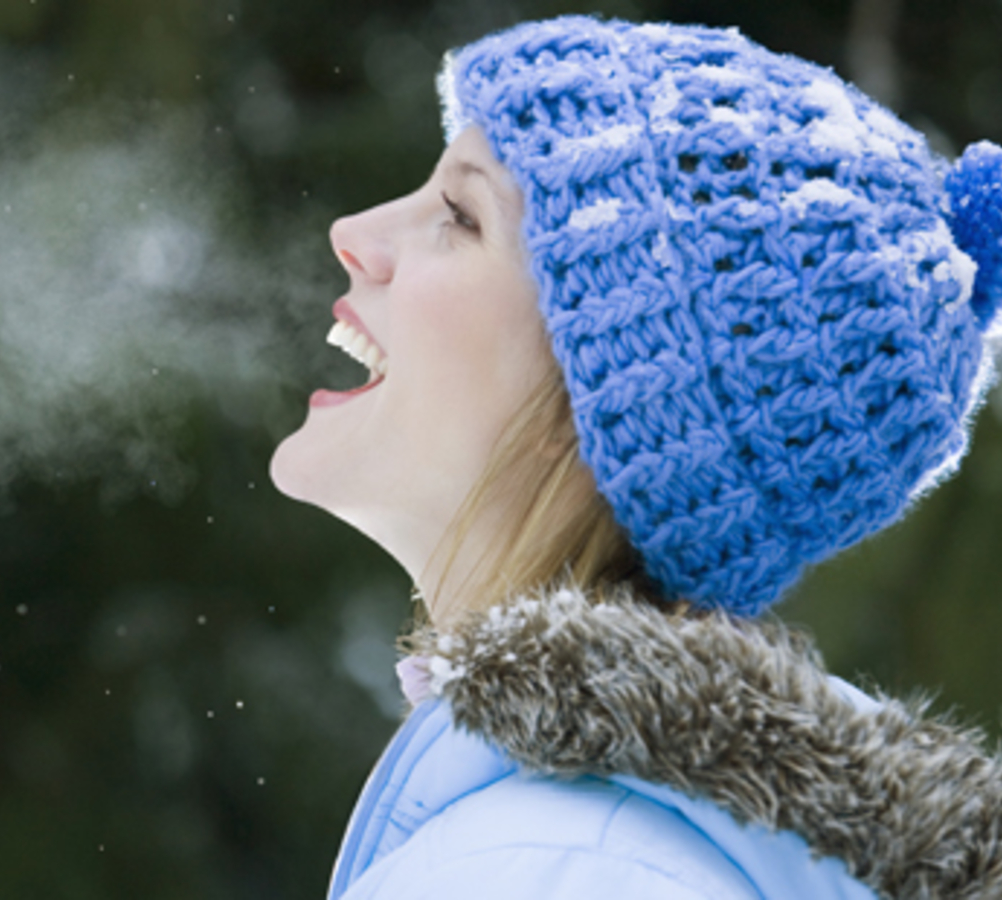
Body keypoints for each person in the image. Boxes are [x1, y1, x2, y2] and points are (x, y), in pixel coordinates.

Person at [271, 15, 1002, 899]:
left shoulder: (539, 875)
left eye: (461, 218)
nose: (355, 231)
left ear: (596, 400)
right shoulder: (609, 852)